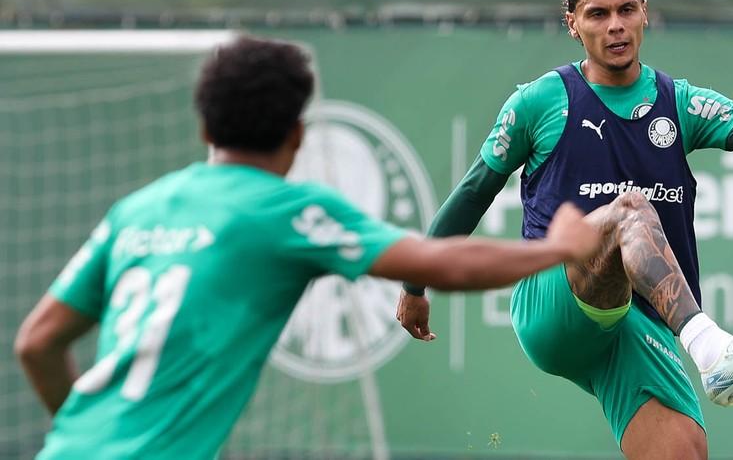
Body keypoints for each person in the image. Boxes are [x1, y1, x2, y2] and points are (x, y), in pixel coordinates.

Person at [13, 36, 601, 460]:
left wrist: (90, 435)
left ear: (204, 129)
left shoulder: (135, 210)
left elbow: (37, 341)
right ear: (298, 133)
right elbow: (439, 261)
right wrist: (557, 249)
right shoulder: (283, 212)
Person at [396, 0, 733, 458]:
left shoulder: (678, 102)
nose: (616, 26)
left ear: (645, 13)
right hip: (553, 300)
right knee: (629, 211)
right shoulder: (539, 101)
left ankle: (708, 352)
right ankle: (712, 348)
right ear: (573, 24)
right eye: (598, 14)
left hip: (637, 322)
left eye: (627, 10)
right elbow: (473, 192)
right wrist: (414, 283)